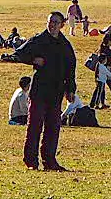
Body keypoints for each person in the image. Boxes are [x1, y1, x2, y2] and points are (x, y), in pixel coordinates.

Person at [14, 12, 77, 171]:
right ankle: (31, 162)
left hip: (56, 92)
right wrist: (33, 60)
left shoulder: (65, 45)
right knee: (34, 127)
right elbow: (19, 53)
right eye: (50, 22)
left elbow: (71, 69)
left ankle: (50, 161)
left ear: (62, 25)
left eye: (56, 22)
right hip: (39, 91)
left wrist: (70, 90)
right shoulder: (39, 40)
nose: (52, 25)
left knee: (53, 128)